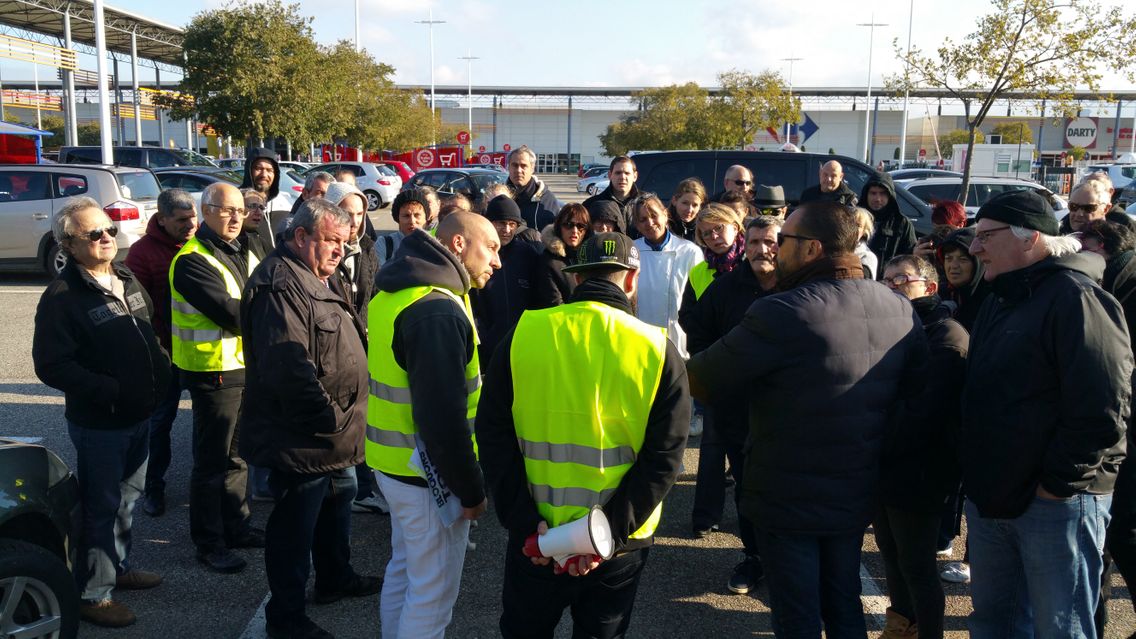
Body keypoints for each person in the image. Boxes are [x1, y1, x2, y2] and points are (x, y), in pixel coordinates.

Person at [686, 200, 928, 638]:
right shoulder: (898, 307)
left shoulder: (783, 311)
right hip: (857, 486)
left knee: (797, 613)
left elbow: (702, 378)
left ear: (813, 248)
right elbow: (917, 394)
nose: (776, 249)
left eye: (786, 240)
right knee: (843, 603)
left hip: (788, 492)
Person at [475, 232, 691, 639]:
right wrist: (604, 534)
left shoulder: (524, 335)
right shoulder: (658, 350)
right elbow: (664, 460)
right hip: (618, 545)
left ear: (575, 279)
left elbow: (492, 436)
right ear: (631, 280)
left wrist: (525, 524)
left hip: (536, 535)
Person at [960, 190, 1132, 639]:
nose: (974, 248)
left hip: (1055, 503)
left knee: (1061, 627)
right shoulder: (1001, 297)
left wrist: (1058, 484)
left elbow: (1103, 406)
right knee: (993, 624)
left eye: (985, 237)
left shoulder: (1077, 299)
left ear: (1029, 238)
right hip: (996, 494)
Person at [241, 198, 382, 639]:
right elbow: (289, 368)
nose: (340, 250)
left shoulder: (315, 273)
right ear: (300, 236)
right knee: (293, 530)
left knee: (336, 504)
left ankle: (335, 577)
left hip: (332, 435)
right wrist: (329, 419)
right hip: (304, 436)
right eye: (331, 240)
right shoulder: (281, 283)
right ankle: (284, 617)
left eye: (345, 241)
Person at [33, 197, 171, 627]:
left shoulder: (125, 276)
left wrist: (160, 369)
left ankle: (117, 569)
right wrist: (109, 391)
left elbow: (147, 331)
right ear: (68, 245)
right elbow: (52, 365)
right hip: (101, 424)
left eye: (109, 229)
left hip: (139, 414)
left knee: (127, 501)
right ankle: (93, 594)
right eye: (94, 234)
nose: (107, 238)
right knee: (101, 506)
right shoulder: (62, 296)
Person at [367, 213, 500, 638]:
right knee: (432, 595)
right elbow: (442, 419)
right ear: (458, 244)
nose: (498, 261)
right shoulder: (436, 309)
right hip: (429, 477)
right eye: (491, 247)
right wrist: (471, 489)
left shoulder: (401, 290)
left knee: (406, 572)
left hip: (396, 466)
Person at [170, 181, 267, 574]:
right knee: (212, 461)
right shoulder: (192, 260)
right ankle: (209, 542)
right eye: (225, 210)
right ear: (205, 211)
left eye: (240, 211)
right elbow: (233, 312)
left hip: (245, 366)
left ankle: (237, 525)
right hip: (214, 372)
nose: (234, 217)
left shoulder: (248, 246)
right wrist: (278, 312)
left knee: (238, 455)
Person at [681, 215, 781, 595]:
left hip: (791, 414)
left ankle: (788, 560)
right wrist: (718, 375)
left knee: (787, 488)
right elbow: (696, 330)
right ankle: (755, 557)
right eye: (754, 243)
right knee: (747, 487)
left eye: (770, 242)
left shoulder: (799, 285)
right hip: (738, 411)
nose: (761, 250)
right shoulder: (726, 288)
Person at [875, 255, 969, 639]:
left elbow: (925, 411)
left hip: (921, 469)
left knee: (916, 565)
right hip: (883, 464)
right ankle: (901, 628)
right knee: (891, 555)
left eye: (903, 279)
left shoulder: (946, 334)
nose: (893, 285)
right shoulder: (889, 328)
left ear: (929, 287)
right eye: (887, 279)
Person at [125, 188, 198, 518]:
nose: (191, 225)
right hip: (164, 355)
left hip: (201, 353)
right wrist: (155, 350)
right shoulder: (142, 253)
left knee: (208, 423)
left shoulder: (201, 244)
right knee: (160, 424)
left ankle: (209, 485)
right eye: (182, 220)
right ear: (162, 218)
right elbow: (135, 308)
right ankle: (153, 486)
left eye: (193, 216)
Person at [1079, 219, 1136, 637]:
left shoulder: (1123, 289)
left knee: (1118, 535)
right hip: (1119, 432)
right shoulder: (1119, 282)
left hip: (1122, 436)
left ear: (1101, 248)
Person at [678, 202, 746, 529]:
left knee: (750, 451)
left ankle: (753, 517)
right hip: (716, 365)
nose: (714, 237)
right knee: (713, 445)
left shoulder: (754, 267)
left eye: (719, 229)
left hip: (751, 368)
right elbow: (688, 317)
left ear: (735, 227)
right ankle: (706, 516)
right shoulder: (700, 272)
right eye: (706, 234)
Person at [323, 181, 388, 516]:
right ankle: (350, 488)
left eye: (360, 213)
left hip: (362, 346)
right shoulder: (321, 255)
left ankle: (361, 487)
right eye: (347, 213)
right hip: (333, 353)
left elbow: (371, 299)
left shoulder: (368, 249)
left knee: (361, 418)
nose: (356, 220)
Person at [470, 195, 544, 364]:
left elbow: (538, 299)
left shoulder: (528, 254)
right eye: (501, 223)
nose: (507, 229)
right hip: (486, 349)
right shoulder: (477, 254)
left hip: (522, 345)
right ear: (489, 223)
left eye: (512, 224)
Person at [631, 193, 704, 359]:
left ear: (665, 214)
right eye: (642, 219)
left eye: (654, 216)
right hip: (642, 343)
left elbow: (699, 302)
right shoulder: (632, 251)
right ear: (637, 225)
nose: (650, 223)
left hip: (680, 343)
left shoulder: (689, 251)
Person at [533, 203, 591, 309]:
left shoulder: (593, 258)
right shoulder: (548, 261)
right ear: (559, 227)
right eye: (568, 224)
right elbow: (554, 305)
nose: (574, 231)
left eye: (580, 226)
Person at [935, 227, 990, 332]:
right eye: (948, 259)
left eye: (963, 259)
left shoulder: (991, 301)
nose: (954, 266)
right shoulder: (939, 295)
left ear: (978, 263)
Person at [859, 172, 917, 269]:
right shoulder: (854, 219)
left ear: (890, 196)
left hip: (889, 280)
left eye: (882, 194)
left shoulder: (902, 223)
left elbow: (909, 258)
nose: (877, 199)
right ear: (866, 194)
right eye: (873, 193)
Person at [506, 145, 560, 231]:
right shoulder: (498, 197)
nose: (519, 170)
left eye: (523, 166)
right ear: (508, 167)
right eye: (515, 165)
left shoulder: (547, 200)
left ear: (532, 168)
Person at [582, 155, 640, 235]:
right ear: (610, 175)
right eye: (618, 173)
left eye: (627, 173)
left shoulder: (646, 202)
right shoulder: (591, 204)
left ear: (635, 176)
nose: (622, 177)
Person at [376, 188, 431, 264]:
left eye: (417, 215)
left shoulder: (434, 246)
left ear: (426, 218)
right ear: (397, 218)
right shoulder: (384, 244)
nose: (412, 221)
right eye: (406, 216)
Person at [1060, 177, 1131, 234]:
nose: (1079, 214)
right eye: (1073, 206)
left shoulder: (1117, 241)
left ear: (1105, 209)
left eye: (1088, 208)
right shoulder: (1060, 230)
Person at [240, 147, 292, 214]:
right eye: (258, 169)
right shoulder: (237, 199)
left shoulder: (284, 202)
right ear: (249, 170)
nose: (264, 175)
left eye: (269, 170)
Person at [667, 177, 707, 242]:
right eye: (685, 203)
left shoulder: (704, 229)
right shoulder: (663, 226)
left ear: (700, 206)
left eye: (695, 205)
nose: (689, 210)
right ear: (674, 201)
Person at [852, 208, 879, 279]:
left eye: (858, 225)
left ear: (864, 231)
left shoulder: (867, 256)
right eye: (848, 223)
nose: (851, 228)